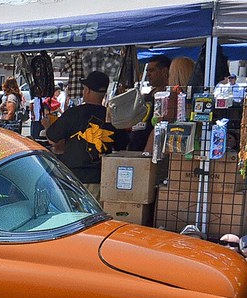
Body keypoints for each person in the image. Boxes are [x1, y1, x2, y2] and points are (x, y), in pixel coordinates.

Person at [45, 71, 126, 200]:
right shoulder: (112, 117)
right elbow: (122, 146)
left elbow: (52, 138)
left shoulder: (73, 113)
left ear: (87, 90)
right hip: (101, 178)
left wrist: (47, 125)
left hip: (73, 178)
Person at [128, 55, 170, 151]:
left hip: (152, 149)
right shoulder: (147, 96)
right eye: (147, 71)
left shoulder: (169, 96)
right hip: (135, 146)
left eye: (152, 70)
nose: (148, 74)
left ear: (164, 71)